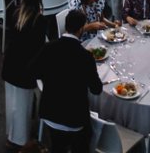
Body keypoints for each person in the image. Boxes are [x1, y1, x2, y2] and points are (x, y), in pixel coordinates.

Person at [33, 9, 102, 153]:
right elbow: (96, 89)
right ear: (82, 28)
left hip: (49, 112)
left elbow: (34, 71)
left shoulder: (49, 47)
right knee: (86, 138)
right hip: (74, 119)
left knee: (57, 146)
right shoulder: (86, 57)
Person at [2, 0, 48, 148]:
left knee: (12, 103)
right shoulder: (39, 20)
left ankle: (11, 134)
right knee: (22, 106)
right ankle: (21, 139)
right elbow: (40, 48)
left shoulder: (15, 13)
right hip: (25, 69)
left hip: (10, 65)